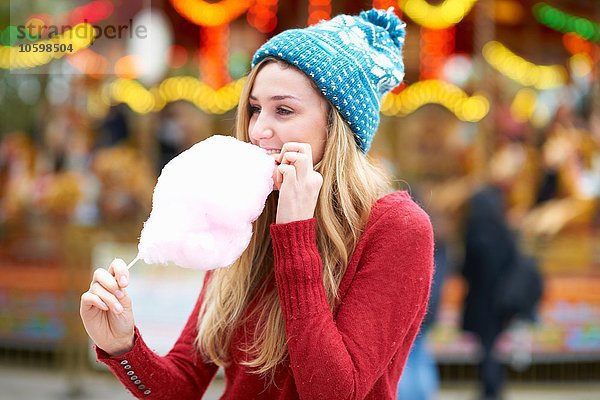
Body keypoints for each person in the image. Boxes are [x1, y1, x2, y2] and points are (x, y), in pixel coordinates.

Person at [80, 8, 434, 400]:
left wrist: (294, 235)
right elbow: (183, 382)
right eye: (254, 109)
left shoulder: (398, 228)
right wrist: (123, 347)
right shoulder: (242, 214)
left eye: (283, 110)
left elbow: (334, 392)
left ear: (337, 125)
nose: (258, 130)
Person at [461, 143, 526, 400]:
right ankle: (492, 388)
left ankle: (490, 389)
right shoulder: (493, 201)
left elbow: (476, 245)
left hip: (486, 287)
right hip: (494, 286)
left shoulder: (487, 199)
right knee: (490, 341)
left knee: (487, 343)